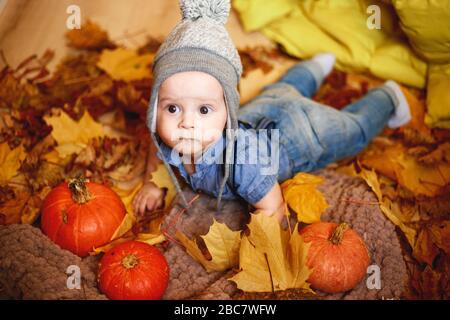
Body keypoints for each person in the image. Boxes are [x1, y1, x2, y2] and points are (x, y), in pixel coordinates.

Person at [132, 0, 411, 224]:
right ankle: (314, 68)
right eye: (172, 108)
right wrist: (153, 185)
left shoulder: (244, 162)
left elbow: (272, 204)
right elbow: (158, 159)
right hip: (263, 112)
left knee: (354, 130)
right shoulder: (167, 140)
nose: (187, 123)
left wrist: (258, 236)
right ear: (155, 108)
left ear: (228, 110)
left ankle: (387, 97)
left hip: (301, 136)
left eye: (204, 109)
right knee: (284, 87)